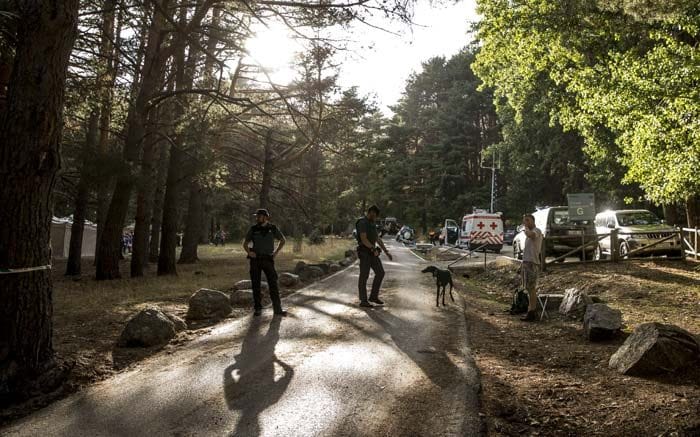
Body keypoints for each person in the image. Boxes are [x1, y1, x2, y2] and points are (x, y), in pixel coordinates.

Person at [243, 209, 287, 317]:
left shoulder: (273, 228)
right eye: (256, 216)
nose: (257, 218)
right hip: (255, 260)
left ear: (265, 217)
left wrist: (276, 252)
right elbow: (245, 243)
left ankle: (278, 309)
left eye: (259, 216)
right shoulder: (253, 229)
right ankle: (258, 309)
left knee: (273, 284)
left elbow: (283, 240)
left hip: (268, 259)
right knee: (255, 284)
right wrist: (249, 252)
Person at [356, 205, 393, 307]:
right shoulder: (362, 222)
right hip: (364, 252)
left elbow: (377, 238)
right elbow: (363, 239)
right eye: (375, 215)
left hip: (372, 253)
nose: (375, 217)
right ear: (371, 212)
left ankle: (373, 296)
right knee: (364, 276)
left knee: (380, 273)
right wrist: (372, 248)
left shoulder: (372, 223)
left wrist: (386, 251)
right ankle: (363, 300)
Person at [520, 213, 543, 321]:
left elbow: (531, 235)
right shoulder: (527, 233)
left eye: (527, 220)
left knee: (531, 287)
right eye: (525, 221)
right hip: (526, 262)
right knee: (528, 288)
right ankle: (530, 310)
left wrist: (525, 228)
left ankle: (532, 312)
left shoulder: (536, 231)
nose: (526, 223)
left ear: (533, 221)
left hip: (532, 263)